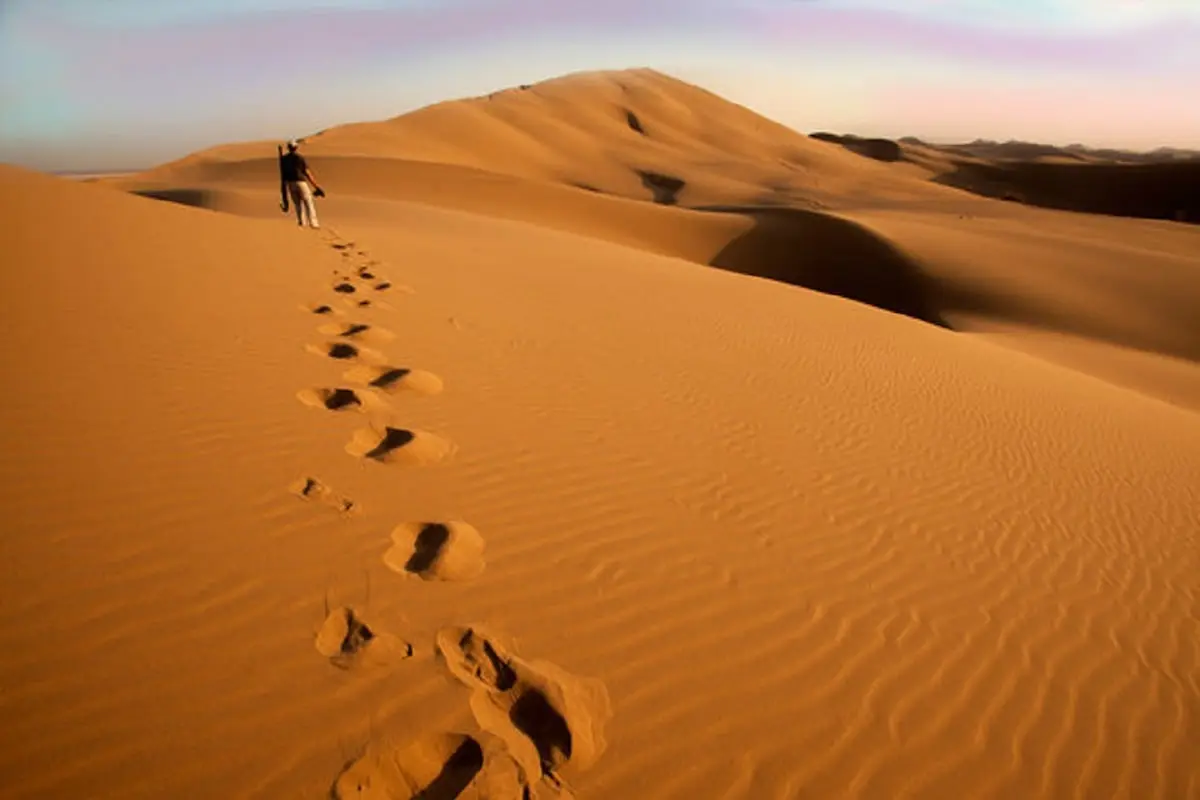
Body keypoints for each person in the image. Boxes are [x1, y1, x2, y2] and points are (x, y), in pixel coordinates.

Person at [278, 139, 324, 229]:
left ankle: (302, 222)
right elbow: (307, 173)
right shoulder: (299, 158)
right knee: (308, 202)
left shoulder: (284, 159)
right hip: (301, 182)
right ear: (296, 148)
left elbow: (283, 175)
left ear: (288, 148)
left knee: (297, 204)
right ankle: (313, 223)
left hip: (290, 184)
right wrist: (316, 186)